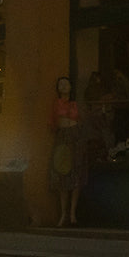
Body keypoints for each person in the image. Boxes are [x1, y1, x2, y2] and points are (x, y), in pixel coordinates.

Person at [49, 75, 86, 226]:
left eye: (66, 84)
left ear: (71, 87)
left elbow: (82, 120)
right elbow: (52, 123)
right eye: (61, 84)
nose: (63, 86)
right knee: (62, 174)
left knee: (76, 175)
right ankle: (63, 213)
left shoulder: (76, 104)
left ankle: (72, 213)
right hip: (62, 138)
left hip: (76, 138)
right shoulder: (56, 104)